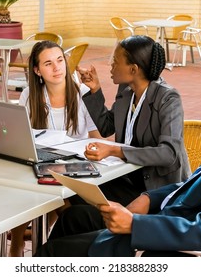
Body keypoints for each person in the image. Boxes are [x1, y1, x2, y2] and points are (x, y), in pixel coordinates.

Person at [34, 67, 201, 257]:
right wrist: (150, 198)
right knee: (73, 218)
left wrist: (136, 224)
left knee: (51, 253)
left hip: (166, 245)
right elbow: (193, 185)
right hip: (163, 217)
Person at [72, 35, 191, 207]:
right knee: (77, 191)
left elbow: (169, 154)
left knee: (80, 210)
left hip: (156, 192)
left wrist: (115, 151)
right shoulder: (127, 91)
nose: (110, 65)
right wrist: (95, 91)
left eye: (115, 61)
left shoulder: (167, 98)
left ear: (133, 69)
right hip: (126, 179)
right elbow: (106, 127)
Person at [11, 40, 101, 257]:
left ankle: (41, 246)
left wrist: (98, 151)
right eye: (48, 63)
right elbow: (20, 138)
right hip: (41, 164)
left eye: (60, 60)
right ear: (37, 70)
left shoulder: (83, 92)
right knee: (28, 185)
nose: (57, 68)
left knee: (61, 201)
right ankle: (18, 242)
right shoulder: (29, 96)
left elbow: (97, 135)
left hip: (74, 168)